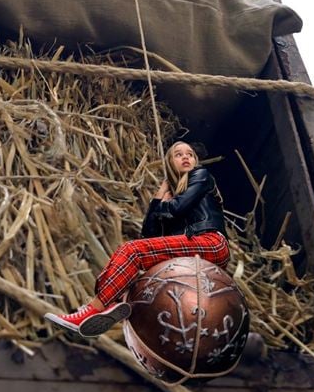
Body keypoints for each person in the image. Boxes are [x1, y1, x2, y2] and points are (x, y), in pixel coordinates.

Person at [45, 141, 229, 337]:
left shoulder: (200, 176)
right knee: (140, 279)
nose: (185, 157)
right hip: (193, 251)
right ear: (169, 163)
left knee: (131, 251)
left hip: (210, 243)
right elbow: (149, 235)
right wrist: (158, 198)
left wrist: (164, 205)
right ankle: (117, 302)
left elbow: (177, 208)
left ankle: (92, 310)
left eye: (190, 154)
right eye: (178, 154)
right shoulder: (172, 195)